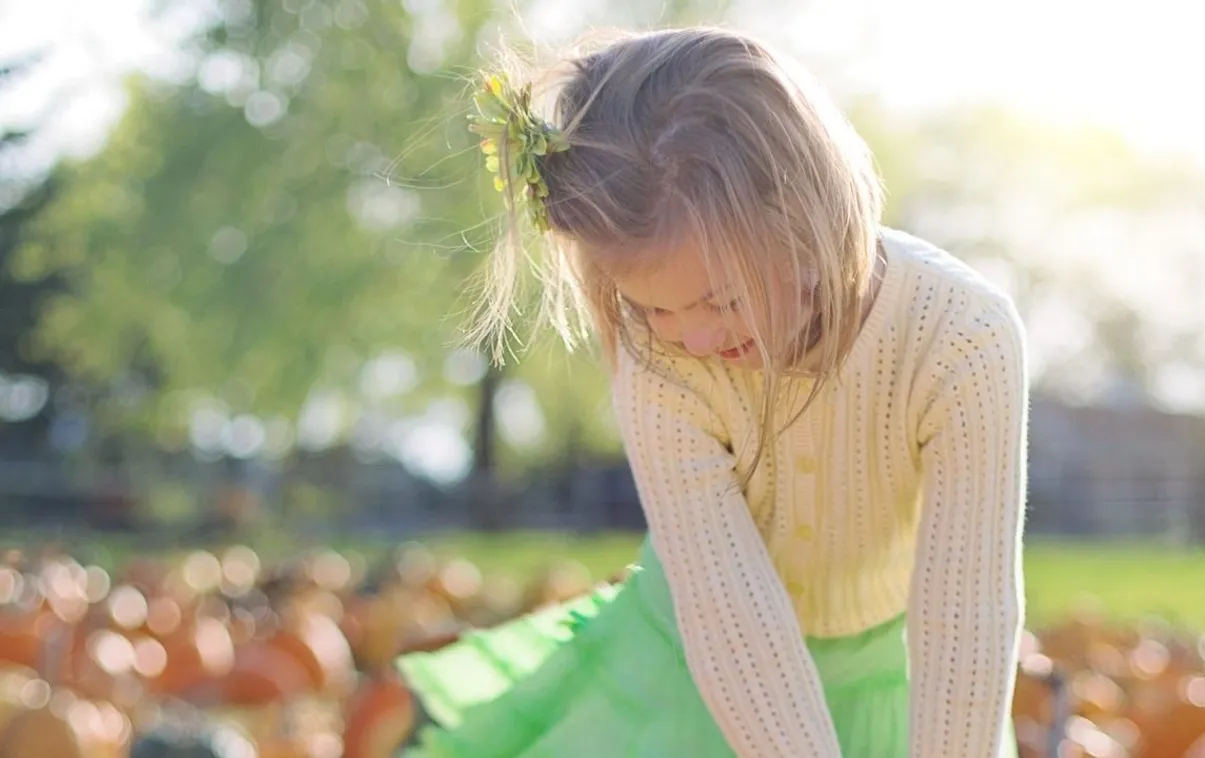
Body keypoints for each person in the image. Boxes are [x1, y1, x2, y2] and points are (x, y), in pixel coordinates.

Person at [396, 24, 1029, 758]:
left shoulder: (962, 339)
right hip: (696, 668)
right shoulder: (659, 361)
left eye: (721, 301)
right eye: (654, 308)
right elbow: (732, 619)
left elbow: (966, 614)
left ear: (808, 224)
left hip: (893, 676)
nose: (692, 339)